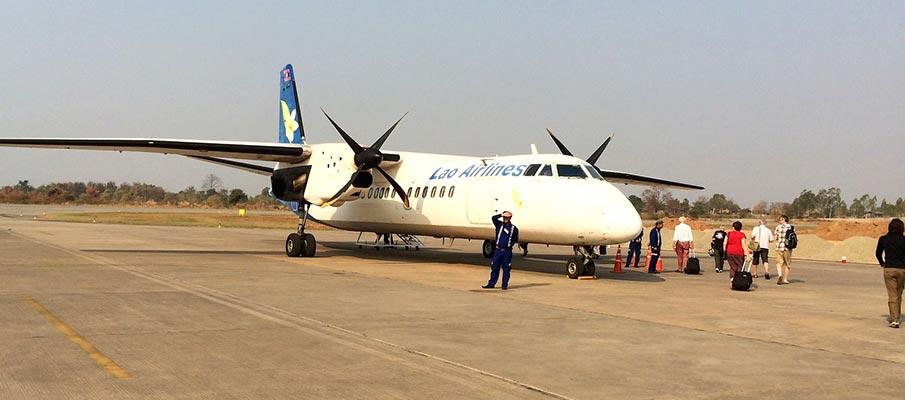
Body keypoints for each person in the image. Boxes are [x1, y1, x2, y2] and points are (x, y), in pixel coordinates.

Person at [876, 218, 905, 328]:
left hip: (889, 269)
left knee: (892, 294)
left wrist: (882, 262)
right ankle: (896, 314)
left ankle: (894, 319)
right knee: (899, 293)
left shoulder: (884, 239)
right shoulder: (904, 240)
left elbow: (878, 253)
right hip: (902, 270)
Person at [483, 211, 519, 290]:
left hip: (507, 251)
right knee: (495, 267)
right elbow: (493, 218)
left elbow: (515, 238)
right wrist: (501, 214)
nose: (505, 219)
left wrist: (509, 245)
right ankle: (491, 283)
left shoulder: (513, 228)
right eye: (504, 217)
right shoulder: (499, 225)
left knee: (506, 269)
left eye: (507, 217)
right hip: (498, 250)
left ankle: (504, 284)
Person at [723, 221, 751, 287]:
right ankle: (738, 280)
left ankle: (732, 280)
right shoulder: (742, 235)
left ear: (733, 227)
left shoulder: (729, 234)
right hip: (739, 252)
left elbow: (724, 243)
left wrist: (725, 251)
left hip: (729, 252)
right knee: (740, 267)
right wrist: (747, 255)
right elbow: (744, 245)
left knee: (732, 267)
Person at [773, 215, 793, 285]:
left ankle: (780, 275)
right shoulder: (791, 227)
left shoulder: (778, 227)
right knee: (787, 264)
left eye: (781, 219)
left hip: (779, 247)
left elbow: (775, 238)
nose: (779, 221)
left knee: (779, 262)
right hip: (788, 248)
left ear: (784, 220)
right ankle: (785, 279)